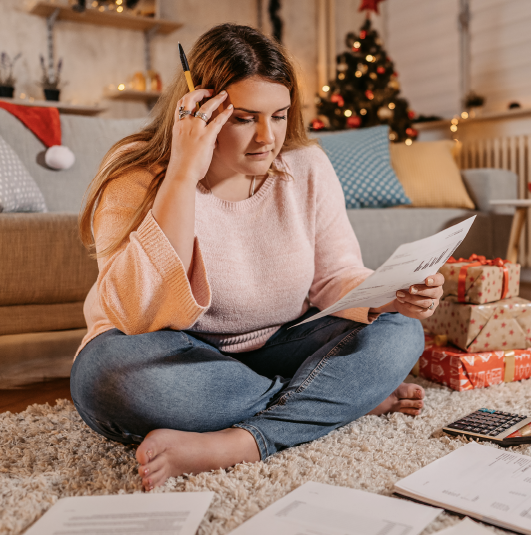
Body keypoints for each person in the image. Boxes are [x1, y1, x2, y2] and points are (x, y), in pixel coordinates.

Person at [71, 23, 444, 492]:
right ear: (199, 110)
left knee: (401, 330)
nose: (267, 138)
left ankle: (241, 441)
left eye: (280, 115)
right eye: (244, 118)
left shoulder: (306, 165)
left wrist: (391, 294)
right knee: (107, 378)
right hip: (180, 353)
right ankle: (337, 398)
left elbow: (335, 277)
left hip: (283, 342)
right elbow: (132, 312)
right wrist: (184, 174)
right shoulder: (135, 174)